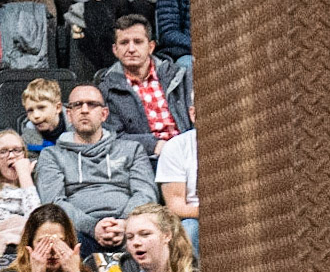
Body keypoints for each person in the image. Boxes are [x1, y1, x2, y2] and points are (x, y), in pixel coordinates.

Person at [33, 83, 157, 251]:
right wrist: (92, 227)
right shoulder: (52, 155)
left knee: (155, 236)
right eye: (77, 105)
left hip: (129, 227)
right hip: (77, 230)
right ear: (69, 114)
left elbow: (145, 193)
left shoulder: (132, 149)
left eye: (92, 104)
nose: (84, 110)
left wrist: (125, 223)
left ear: (104, 114)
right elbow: (54, 202)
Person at [97, 17, 191, 160]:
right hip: (144, 159)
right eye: (124, 43)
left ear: (151, 46)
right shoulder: (106, 89)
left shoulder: (180, 76)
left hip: (189, 152)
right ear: (115, 50)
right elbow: (112, 137)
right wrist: (152, 145)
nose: (131, 49)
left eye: (138, 42)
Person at [155, 115, 199, 251]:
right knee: (189, 229)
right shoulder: (176, 147)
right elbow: (175, 207)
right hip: (195, 218)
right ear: (192, 114)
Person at [18, 79, 67, 154]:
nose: (35, 116)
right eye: (30, 110)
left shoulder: (78, 131)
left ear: (57, 108)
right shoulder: (27, 140)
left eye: (41, 108)